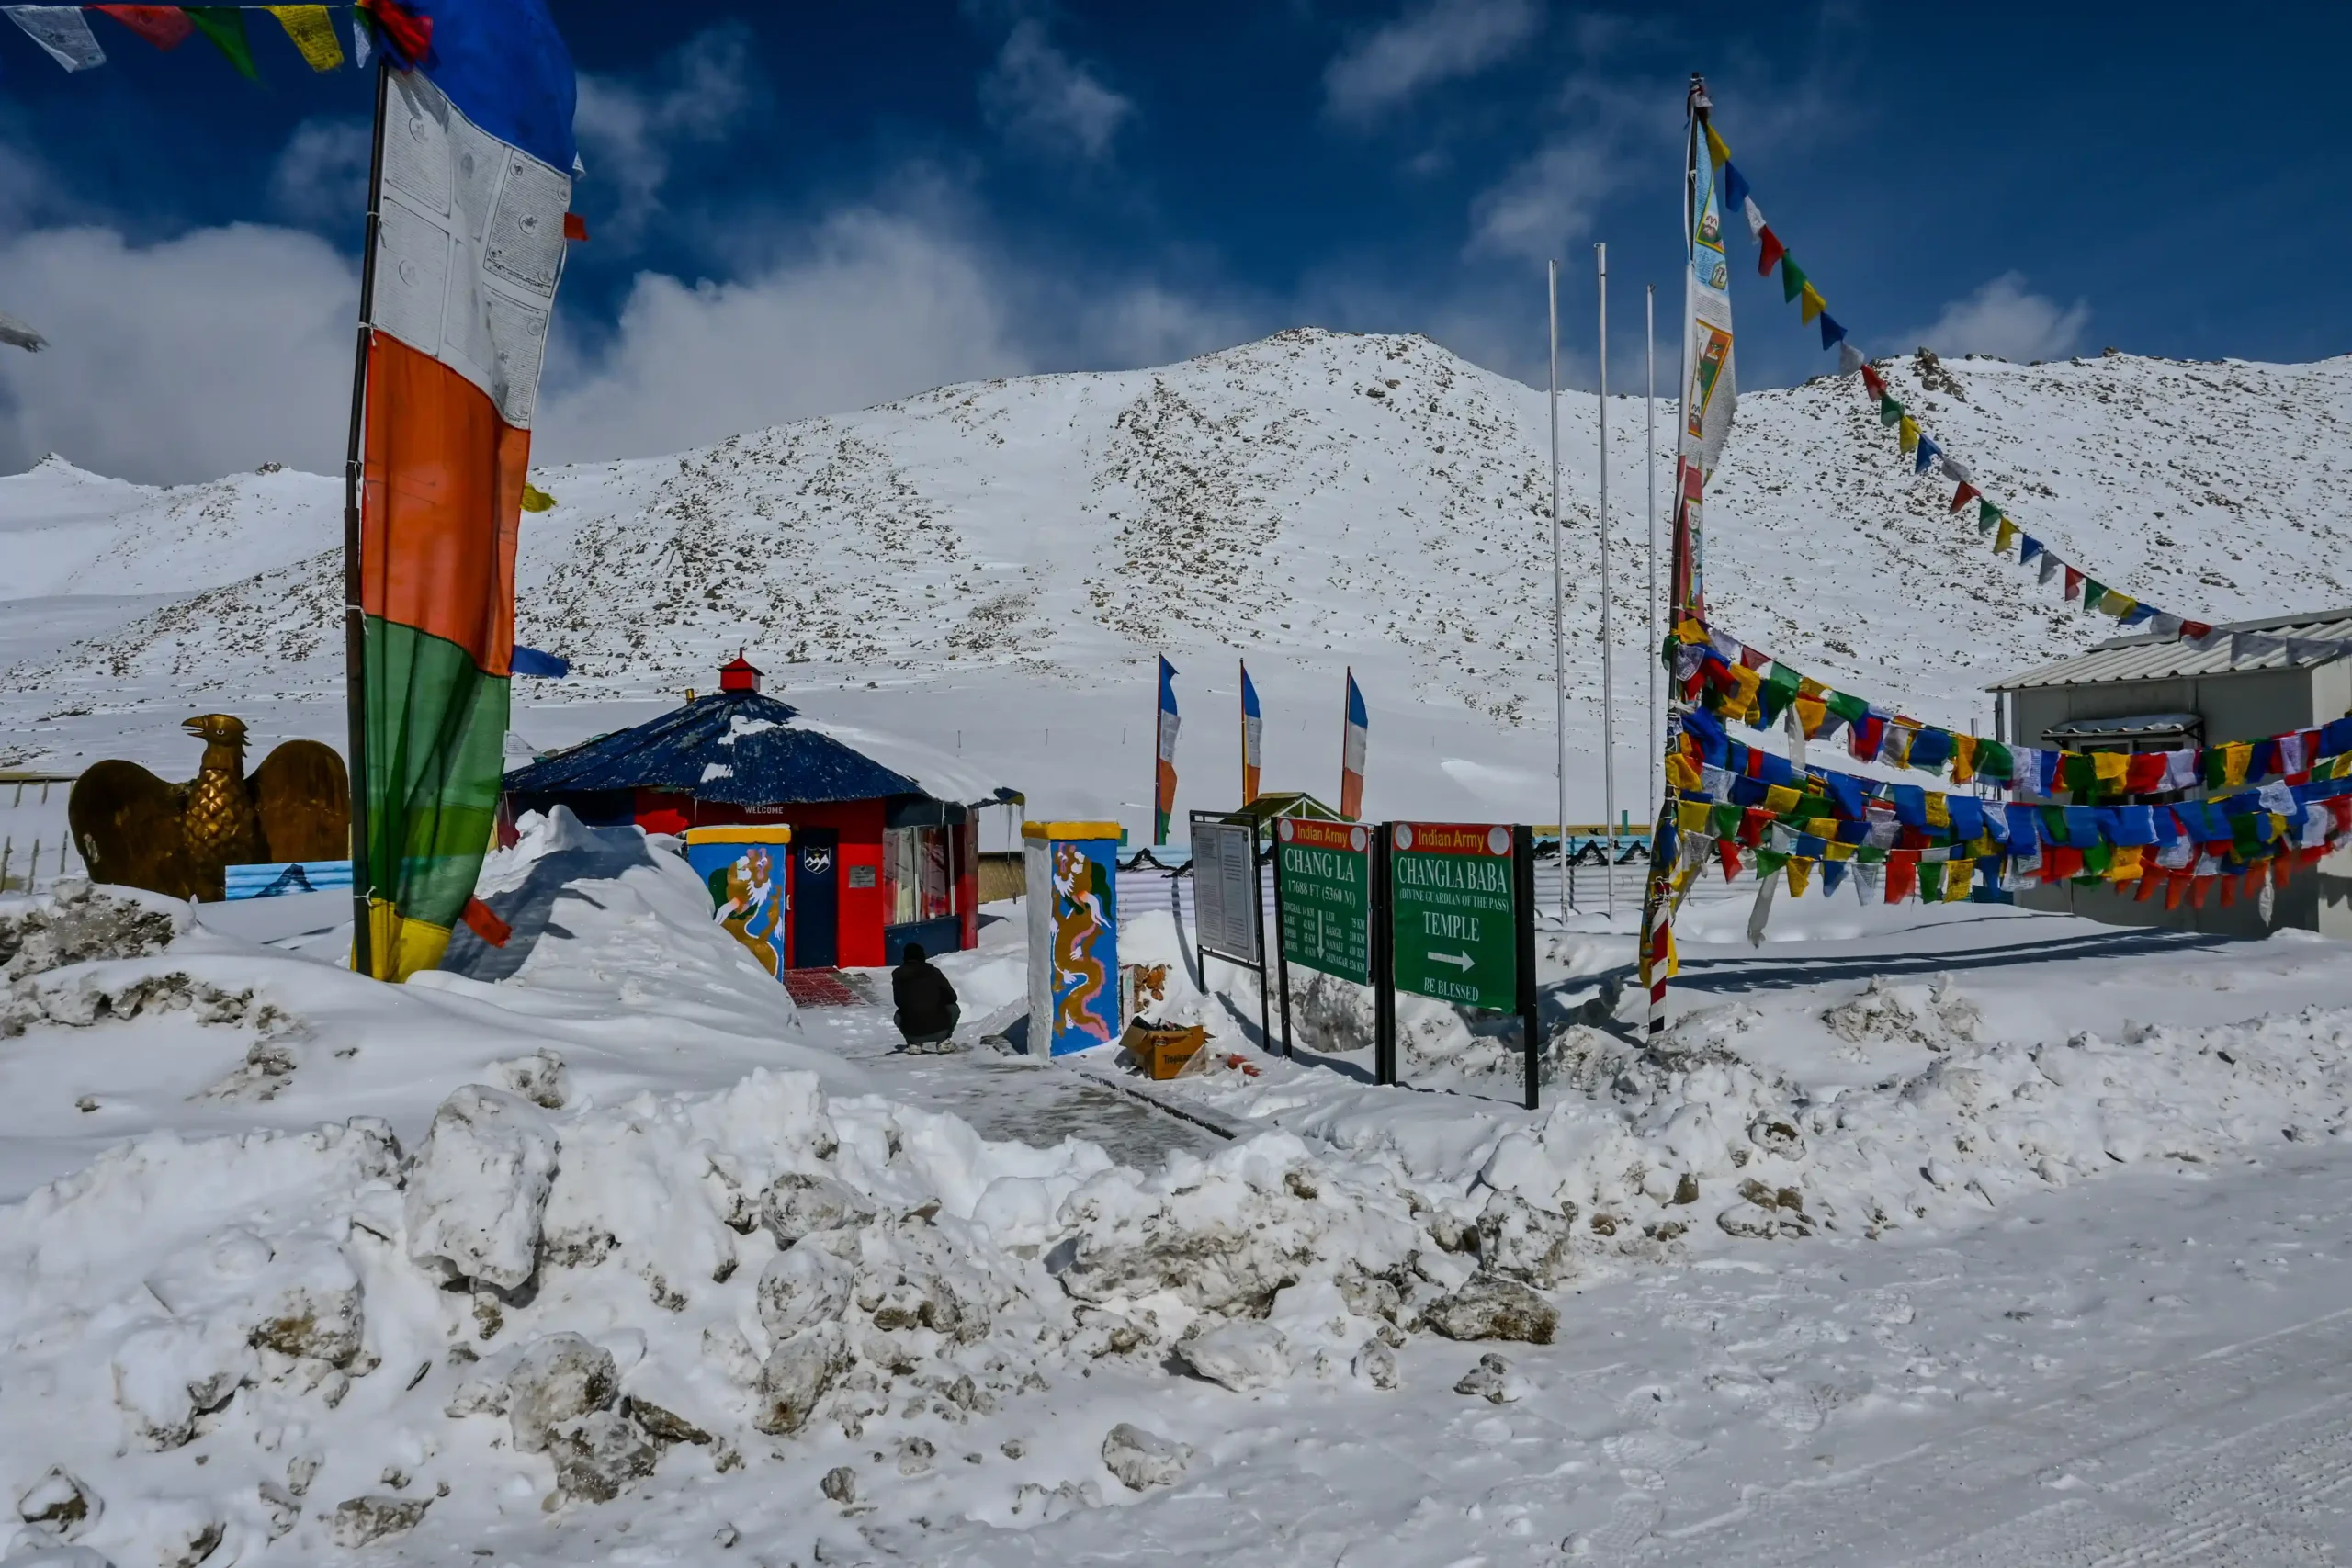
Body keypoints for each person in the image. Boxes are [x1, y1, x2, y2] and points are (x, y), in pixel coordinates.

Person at [891, 942, 960, 1051]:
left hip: (912, 1031)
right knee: (954, 1008)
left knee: (898, 1015)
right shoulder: (934, 972)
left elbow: (898, 1002)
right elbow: (952, 997)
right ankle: (944, 1042)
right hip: (940, 1029)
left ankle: (914, 1044)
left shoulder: (898, 975)